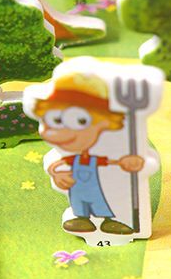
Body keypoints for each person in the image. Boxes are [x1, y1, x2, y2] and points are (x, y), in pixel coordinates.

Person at [30, 71, 144, 234]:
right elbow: (55, 164)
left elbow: (109, 161)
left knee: (99, 201)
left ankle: (108, 221)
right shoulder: (71, 157)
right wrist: (56, 174)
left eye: (80, 121)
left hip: (96, 188)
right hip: (77, 188)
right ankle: (83, 219)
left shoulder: (96, 156)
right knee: (79, 203)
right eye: (56, 120)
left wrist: (124, 162)